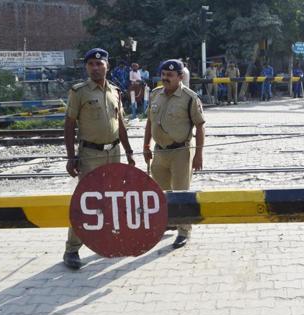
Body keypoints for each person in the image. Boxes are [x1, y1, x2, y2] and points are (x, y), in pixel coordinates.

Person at [63, 48, 136, 270]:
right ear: (86, 67)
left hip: (113, 152)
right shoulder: (79, 92)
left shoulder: (115, 91)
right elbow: (69, 125)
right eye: (91, 64)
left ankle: (110, 240)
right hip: (90, 155)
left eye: (100, 64)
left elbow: (120, 124)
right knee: (86, 200)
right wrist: (71, 156)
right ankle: (72, 250)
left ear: (107, 66)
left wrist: (129, 151)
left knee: (113, 198)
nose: (96, 68)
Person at [143, 59, 206, 249]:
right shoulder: (155, 94)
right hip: (159, 153)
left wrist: (198, 155)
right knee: (162, 193)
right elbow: (149, 122)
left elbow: (200, 126)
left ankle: (184, 230)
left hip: (181, 152)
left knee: (181, 193)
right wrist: (146, 145)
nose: (165, 78)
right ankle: (168, 222)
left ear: (180, 77)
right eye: (163, 74)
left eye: (170, 75)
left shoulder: (189, 97)